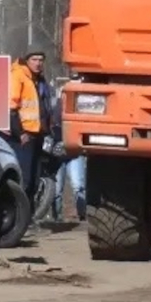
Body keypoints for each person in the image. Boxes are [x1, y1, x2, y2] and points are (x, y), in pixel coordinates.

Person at [9, 46, 51, 208]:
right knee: (24, 179)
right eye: (34, 59)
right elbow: (11, 107)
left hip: (38, 134)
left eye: (41, 60)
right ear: (26, 61)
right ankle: (18, 216)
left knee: (34, 179)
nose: (38, 63)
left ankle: (29, 217)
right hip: (23, 136)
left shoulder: (39, 80)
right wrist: (19, 133)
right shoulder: (18, 76)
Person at [49, 80, 87, 222]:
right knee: (56, 189)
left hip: (75, 153)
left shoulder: (80, 109)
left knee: (79, 186)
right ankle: (56, 217)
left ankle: (82, 215)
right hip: (58, 154)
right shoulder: (53, 109)